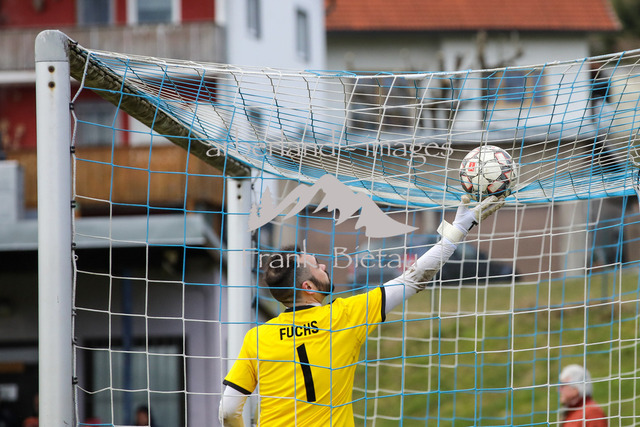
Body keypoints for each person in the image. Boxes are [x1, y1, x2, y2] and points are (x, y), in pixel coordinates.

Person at [219, 195, 505, 426]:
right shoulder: (343, 316)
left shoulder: (257, 338)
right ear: (308, 286)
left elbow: (228, 411)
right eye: (316, 266)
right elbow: (414, 277)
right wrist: (457, 231)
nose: (324, 266)